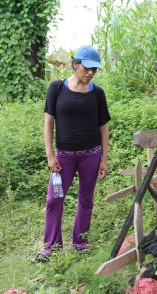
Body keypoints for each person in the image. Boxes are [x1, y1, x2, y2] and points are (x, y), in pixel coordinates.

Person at [35, 45, 110, 262]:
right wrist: (50, 155)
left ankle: (80, 243)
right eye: (87, 68)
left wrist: (104, 158)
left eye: (94, 70)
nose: (90, 73)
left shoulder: (97, 93)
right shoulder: (57, 88)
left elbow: (103, 127)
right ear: (75, 64)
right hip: (63, 157)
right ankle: (51, 247)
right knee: (54, 199)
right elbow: (48, 123)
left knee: (86, 199)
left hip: (91, 155)